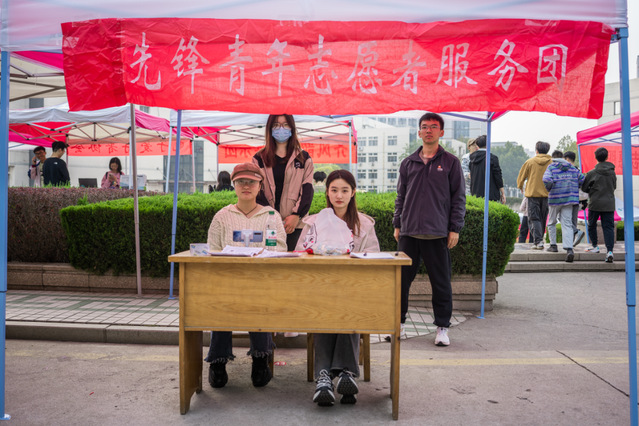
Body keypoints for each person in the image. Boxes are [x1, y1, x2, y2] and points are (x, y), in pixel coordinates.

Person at [296, 169, 380, 407]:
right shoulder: (313, 222)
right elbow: (299, 254)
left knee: (347, 307)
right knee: (325, 308)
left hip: (354, 289)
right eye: (334, 190)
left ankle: (332, 375)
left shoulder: (364, 224)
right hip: (320, 288)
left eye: (344, 190)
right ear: (327, 192)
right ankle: (340, 373)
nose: (339, 195)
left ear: (353, 193)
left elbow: (373, 256)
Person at [205, 162, 287, 389]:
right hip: (228, 282)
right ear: (234, 185)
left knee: (260, 300)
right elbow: (212, 251)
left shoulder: (271, 216)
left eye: (251, 181)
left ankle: (260, 360)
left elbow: (281, 248)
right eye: (241, 181)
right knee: (220, 302)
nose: (246, 186)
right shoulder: (222, 216)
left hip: (262, 282)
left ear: (260, 186)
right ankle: (218, 362)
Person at [393, 112, 465, 347]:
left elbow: (458, 198)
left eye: (433, 127)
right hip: (409, 232)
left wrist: (454, 228)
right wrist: (397, 223)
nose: (429, 130)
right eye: (424, 127)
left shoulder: (451, 162)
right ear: (419, 132)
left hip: (437, 232)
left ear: (441, 132)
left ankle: (442, 327)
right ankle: (398, 323)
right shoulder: (408, 163)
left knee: (441, 283)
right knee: (401, 282)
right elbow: (401, 196)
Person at [253, 114, 314, 251]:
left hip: (295, 225)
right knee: (269, 260)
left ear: (292, 128)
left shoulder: (303, 158)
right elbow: (257, 191)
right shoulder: (259, 158)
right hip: (268, 223)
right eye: (276, 125)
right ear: (269, 129)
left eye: (285, 125)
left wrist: (297, 215)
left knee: (294, 261)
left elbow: (307, 190)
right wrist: (271, 216)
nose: (281, 129)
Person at [543, 150, 585, 262]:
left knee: (551, 222)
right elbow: (582, 179)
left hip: (555, 199)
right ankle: (569, 249)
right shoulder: (572, 168)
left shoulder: (551, 167)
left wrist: (550, 187)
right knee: (567, 224)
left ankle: (553, 246)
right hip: (569, 199)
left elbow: (546, 179)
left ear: (553, 158)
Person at [582, 147, 617, 263]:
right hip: (609, 204)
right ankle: (609, 251)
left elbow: (584, 188)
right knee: (608, 227)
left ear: (595, 158)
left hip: (595, 203)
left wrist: (592, 190)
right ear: (607, 157)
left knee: (592, 225)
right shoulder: (612, 172)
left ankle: (595, 246)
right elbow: (614, 186)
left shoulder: (592, 173)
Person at [516, 141, 552, 250]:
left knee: (534, 218)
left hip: (532, 194)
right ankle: (539, 240)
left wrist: (520, 186)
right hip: (547, 195)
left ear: (536, 150)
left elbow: (521, 177)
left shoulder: (530, 162)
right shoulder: (552, 162)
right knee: (543, 218)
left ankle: (538, 241)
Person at [468, 135, 506, 203]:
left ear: (478, 145)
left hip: (475, 194)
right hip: (490, 195)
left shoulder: (472, 159)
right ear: (488, 144)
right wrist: (502, 192)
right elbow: (498, 176)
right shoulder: (492, 158)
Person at [563, 151, 587, 246]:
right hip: (577, 199)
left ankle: (575, 233)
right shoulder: (578, 170)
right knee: (573, 221)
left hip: (568, 199)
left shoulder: (567, 170)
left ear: (567, 159)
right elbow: (583, 185)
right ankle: (571, 244)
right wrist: (584, 201)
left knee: (565, 220)